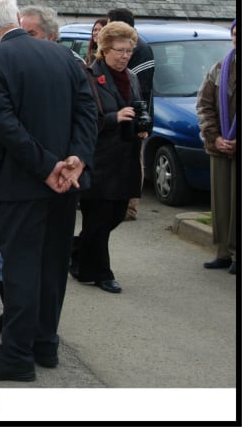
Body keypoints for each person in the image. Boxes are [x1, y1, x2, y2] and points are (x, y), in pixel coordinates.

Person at [0, 0, 97, 381]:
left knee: (21, 268)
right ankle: (45, 344)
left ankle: (17, 356)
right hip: (66, 182)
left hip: (23, 183)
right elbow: (87, 110)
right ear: (18, 17)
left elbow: (3, 124)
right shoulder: (63, 56)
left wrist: (47, 166)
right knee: (52, 265)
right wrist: (76, 159)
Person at [69, 22, 148, 294]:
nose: (125, 56)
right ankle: (101, 273)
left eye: (129, 50)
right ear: (104, 49)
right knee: (99, 218)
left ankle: (76, 252)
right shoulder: (90, 75)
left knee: (116, 214)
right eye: (119, 50)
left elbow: (139, 106)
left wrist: (141, 125)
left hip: (126, 157)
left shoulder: (133, 77)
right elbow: (83, 118)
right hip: (99, 158)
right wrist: (115, 117)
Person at [196, 19, 237, 275]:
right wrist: (215, 137)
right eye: (235, 34)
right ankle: (223, 251)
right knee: (222, 201)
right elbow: (204, 104)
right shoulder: (220, 67)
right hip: (220, 146)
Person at [106, 8, 154, 221]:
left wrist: (140, 120)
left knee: (135, 160)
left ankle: (130, 206)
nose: (125, 56)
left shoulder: (140, 50)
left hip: (133, 116)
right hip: (123, 117)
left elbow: (140, 90)